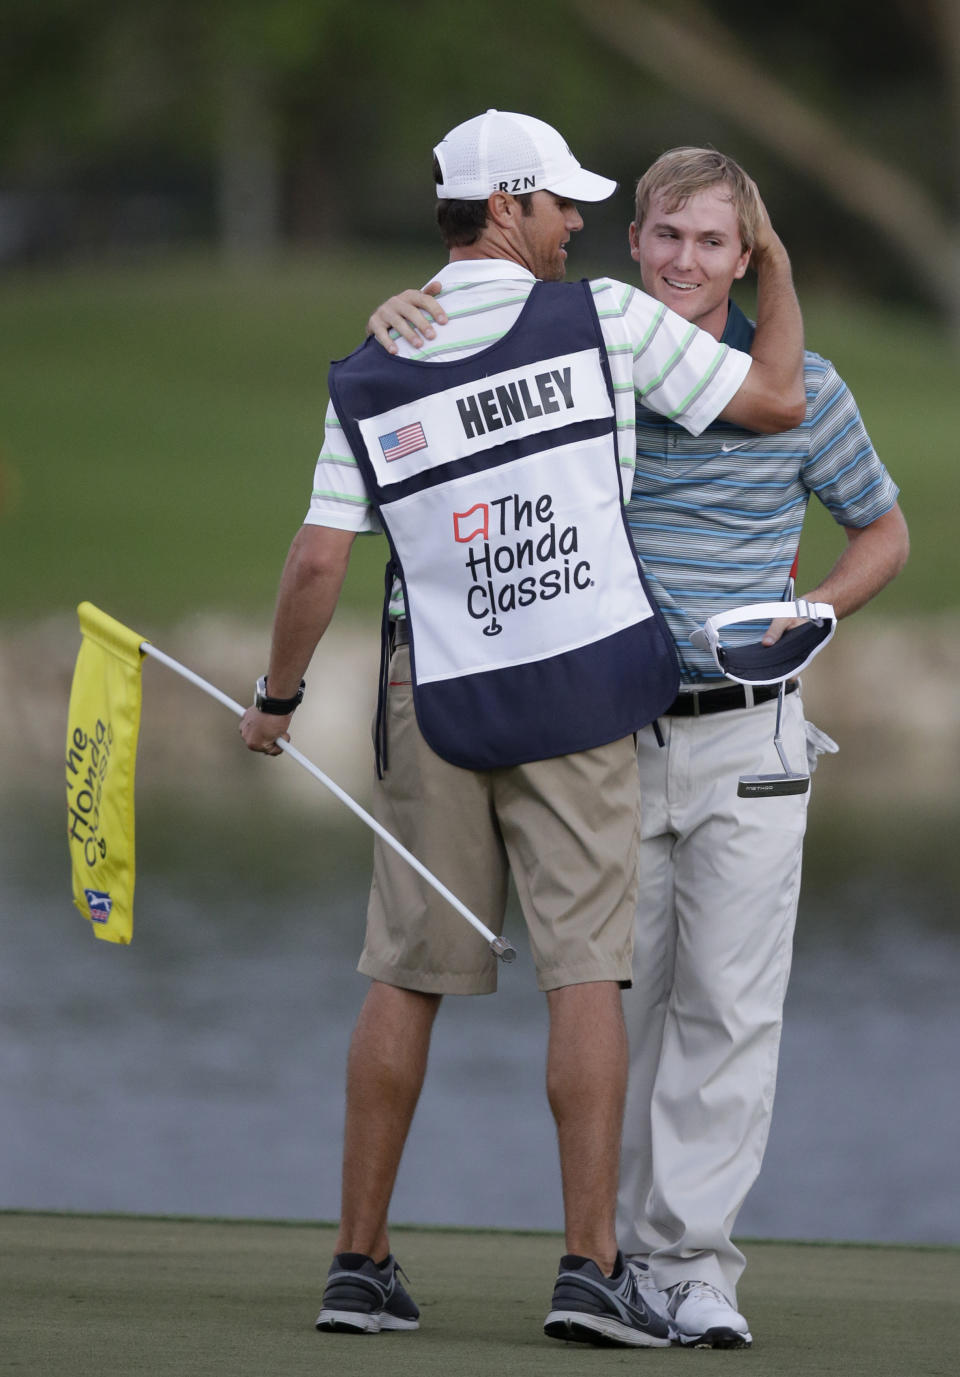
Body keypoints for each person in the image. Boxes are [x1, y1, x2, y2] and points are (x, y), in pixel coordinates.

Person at [241, 114, 806, 1348]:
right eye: (561, 204)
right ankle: (589, 1268)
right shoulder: (600, 315)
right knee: (584, 977)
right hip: (578, 691)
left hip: (431, 698)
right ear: (507, 205)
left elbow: (318, 560)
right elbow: (772, 395)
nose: (579, 224)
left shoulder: (374, 363)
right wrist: (767, 262)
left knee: (403, 974)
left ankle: (358, 1266)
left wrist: (277, 701)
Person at [370, 144, 909, 1348]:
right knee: (626, 1007)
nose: (683, 259)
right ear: (633, 242)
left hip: (754, 736)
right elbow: (474, 327)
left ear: (748, 259)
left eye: (714, 242)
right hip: (604, 739)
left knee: (731, 1011)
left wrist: (817, 610)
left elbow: (883, 530)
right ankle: (612, 1264)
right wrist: (399, 305)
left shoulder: (807, 390)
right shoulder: (593, 366)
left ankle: (693, 1269)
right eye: (666, 234)